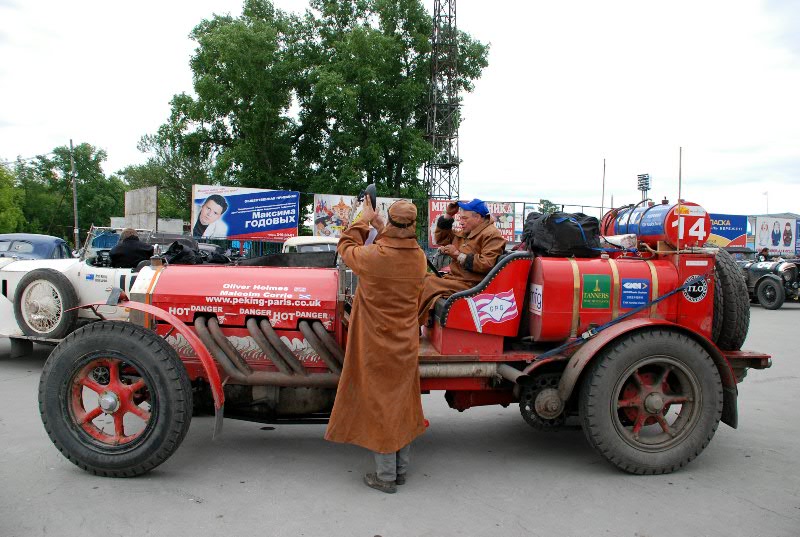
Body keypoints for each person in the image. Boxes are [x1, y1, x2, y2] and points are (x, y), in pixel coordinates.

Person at [324, 197, 427, 494]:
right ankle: (400, 471)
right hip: (405, 342)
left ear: (391, 221)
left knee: (382, 405)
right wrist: (382, 226)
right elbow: (397, 246)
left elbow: (345, 246)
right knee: (402, 403)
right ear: (413, 224)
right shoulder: (419, 258)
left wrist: (363, 219)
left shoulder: (374, 257)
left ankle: (385, 476)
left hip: (375, 342)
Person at [418, 199, 506, 326]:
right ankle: (419, 322)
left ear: (478, 217)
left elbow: (487, 263)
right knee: (421, 278)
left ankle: (415, 324)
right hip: (457, 280)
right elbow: (441, 239)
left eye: (465, 218)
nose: (461, 221)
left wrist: (457, 255)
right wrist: (448, 215)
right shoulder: (466, 232)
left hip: (472, 284)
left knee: (428, 283)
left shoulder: (491, 234)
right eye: (460, 218)